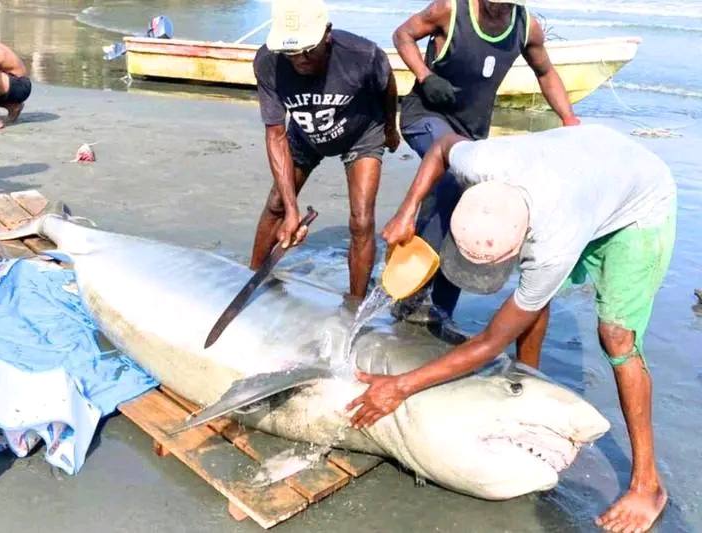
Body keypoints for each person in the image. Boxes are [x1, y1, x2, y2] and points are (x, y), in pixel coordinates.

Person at [347, 125, 676, 533]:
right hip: (586, 167)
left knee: (616, 337)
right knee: (534, 297)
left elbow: (490, 341)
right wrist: (408, 209)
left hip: (639, 202)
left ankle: (648, 485)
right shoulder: (480, 163)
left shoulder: (553, 244)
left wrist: (400, 386)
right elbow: (443, 147)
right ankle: (527, 377)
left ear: (523, 239)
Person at [392, 0, 579, 323]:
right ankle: (412, 289)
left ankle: (441, 308)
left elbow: (545, 72)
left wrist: (569, 120)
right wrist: (425, 76)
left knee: (466, 201)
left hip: (472, 133)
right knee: (451, 176)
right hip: (425, 115)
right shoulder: (448, 10)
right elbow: (403, 35)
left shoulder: (525, 26)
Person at [251, 0, 399, 299]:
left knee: (361, 220)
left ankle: (354, 301)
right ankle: (250, 275)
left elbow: (388, 87)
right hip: (306, 133)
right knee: (277, 203)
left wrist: (390, 128)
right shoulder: (268, 62)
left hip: (362, 133)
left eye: (308, 49)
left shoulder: (364, 55)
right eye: (291, 51)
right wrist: (292, 211)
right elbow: (276, 134)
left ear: (326, 34)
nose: (300, 59)